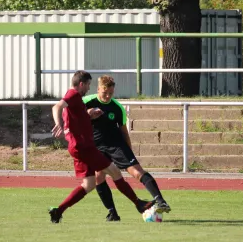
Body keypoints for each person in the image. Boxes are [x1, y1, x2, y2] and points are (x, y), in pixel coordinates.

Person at [48, 70, 152, 223]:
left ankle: (58, 211)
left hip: (76, 147)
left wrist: (89, 115)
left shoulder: (76, 102)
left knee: (88, 184)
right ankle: (139, 204)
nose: (89, 88)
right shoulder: (74, 95)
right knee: (115, 172)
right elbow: (57, 107)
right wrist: (58, 123)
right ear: (81, 84)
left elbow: (76, 118)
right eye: (88, 84)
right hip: (85, 147)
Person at [84, 75, 171, 222]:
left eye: (110, 93)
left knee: (136, 171)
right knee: (99, 177)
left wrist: (129, 150)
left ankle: (160, 200)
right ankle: (113, 213)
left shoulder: (117, 108)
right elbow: (71, 115)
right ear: (98, 89)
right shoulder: (86, 102)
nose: (107, 96)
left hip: (117, 145)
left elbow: (124, 131)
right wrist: (87, 114)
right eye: (104, 93)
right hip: (97, 147)